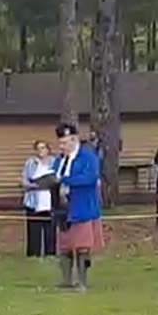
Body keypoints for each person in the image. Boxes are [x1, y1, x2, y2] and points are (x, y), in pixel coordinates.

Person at [52, 123, 104, 290]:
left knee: (83, 246)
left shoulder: (88, 157)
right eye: (60, 143)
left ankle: (82, 282)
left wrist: (67, 181)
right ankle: (66, 280)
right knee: (65, 246)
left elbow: (90, 178)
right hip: (63, 209)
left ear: (74, 140)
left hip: (83, 207)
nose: (62, 146)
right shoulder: (60, 160)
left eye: (65, 143)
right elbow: (54, 176)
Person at [22, 140, 57, 257]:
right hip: (34, 201)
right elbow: (24, 180)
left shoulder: (55, 162)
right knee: (33, 229)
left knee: (50, 229)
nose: (40, 150)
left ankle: (50, 253)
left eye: (43, 148)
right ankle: (33, 253)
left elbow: (60, 178)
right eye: (38, 148)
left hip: (50, 201)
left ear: (48, 149)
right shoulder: (30, 163)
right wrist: (33, 185)